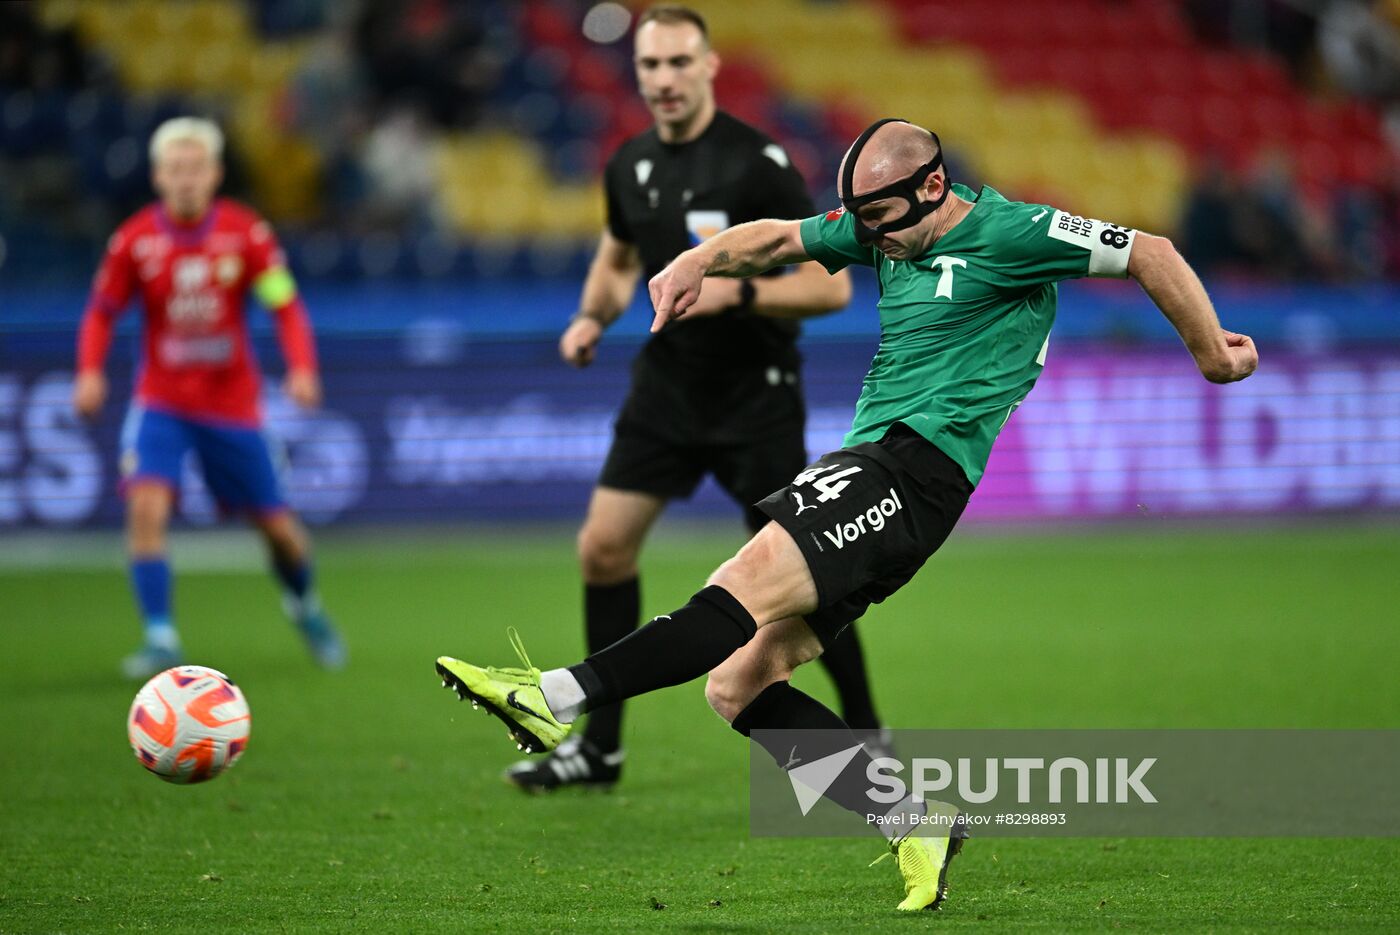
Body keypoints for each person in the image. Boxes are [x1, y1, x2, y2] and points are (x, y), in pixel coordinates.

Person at [435, 118, 1258, 910]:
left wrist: (1212, 351)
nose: (870, 238)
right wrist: (701, 259)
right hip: (895, 478)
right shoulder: (878, 226)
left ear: (934, 186)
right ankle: (912, 822)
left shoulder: (1016, 233)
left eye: (883, 219)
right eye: (859, 219)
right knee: (740, 682)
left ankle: (554, 695)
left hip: (910, 465)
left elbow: (1151, 251)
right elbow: (782, 239)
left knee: (740, 581)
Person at [503, 4, 883, 792]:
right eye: (651, 66)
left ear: (710, 66)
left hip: (754, 396)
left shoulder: (756, 163)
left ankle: (868, 741)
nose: (665, 79)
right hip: (667, 391)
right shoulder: (630, 163)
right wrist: (589, 316)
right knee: (603, 546)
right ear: (637, 74)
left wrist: (735, 299)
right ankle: (598, 750)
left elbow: (832, 287)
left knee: (805, 581)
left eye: (680, 63)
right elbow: (616, 259)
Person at [73, 117, 346, 680]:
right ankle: (159, 635)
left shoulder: (246, 236)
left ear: (216, 173)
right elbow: (101, 314)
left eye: (196, 168)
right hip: (161, 403)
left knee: (277, 531)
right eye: (176, 169)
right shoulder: (134, 242)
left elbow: (285, 305)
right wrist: (89, 373)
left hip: (233, 407)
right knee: (145, 507)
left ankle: (304, 604)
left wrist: (301, 367)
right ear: (158, 177)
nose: (186, 179)